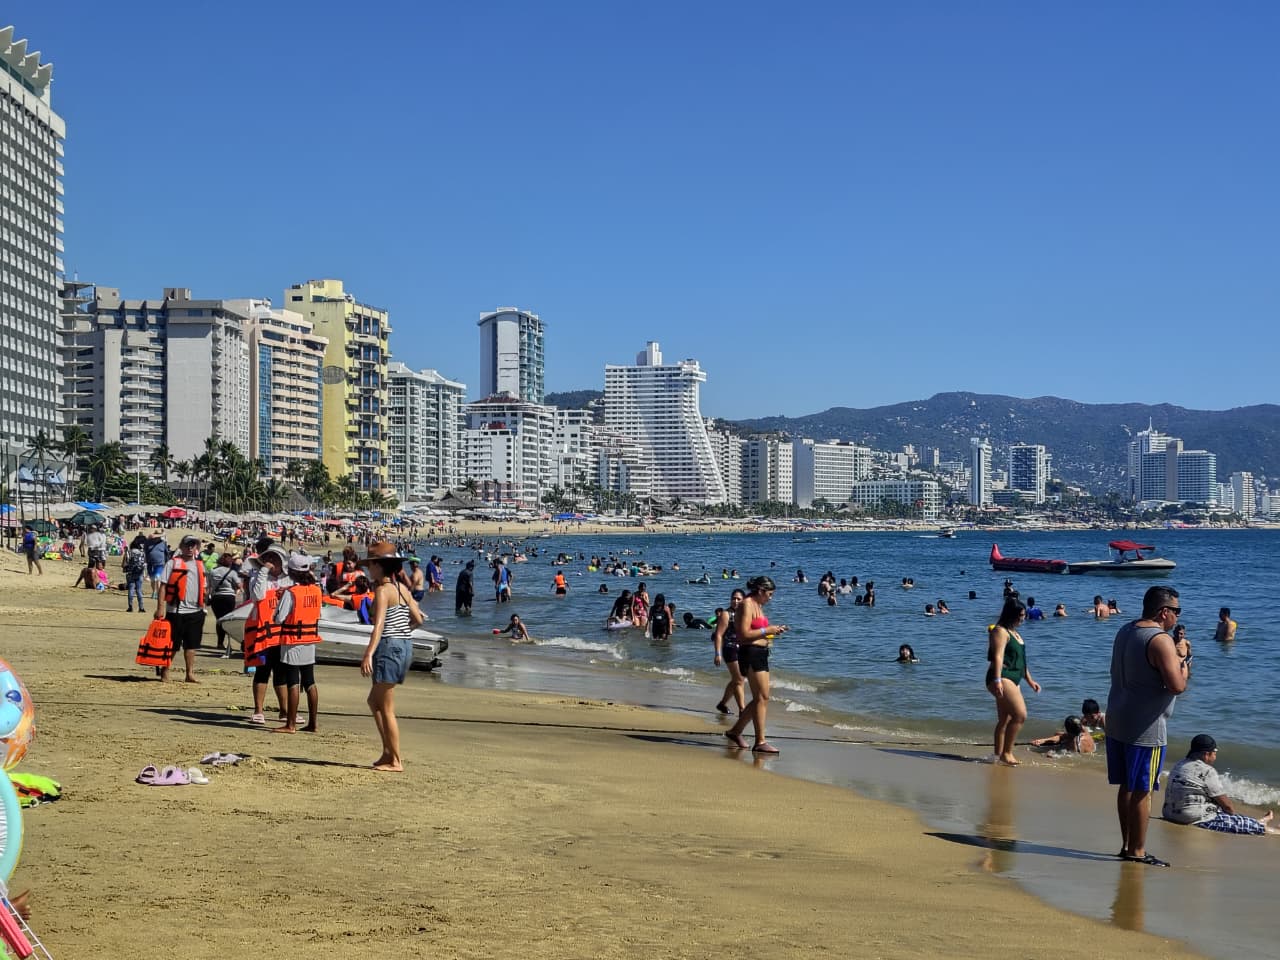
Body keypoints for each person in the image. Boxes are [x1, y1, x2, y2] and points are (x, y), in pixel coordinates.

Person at [1106, 585, 1190, 867]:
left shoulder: (1125, 630)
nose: (1178, 616)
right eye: (1177, 610)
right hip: (1146, 727)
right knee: (1142, 789)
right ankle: (1137, 850)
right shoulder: (1160, 639)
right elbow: (1177, 685)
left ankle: (1127, 844)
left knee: (1127, 786)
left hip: (1118, 718)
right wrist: (1184, 663)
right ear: (1164, 612)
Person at [360, 541, 424, 772]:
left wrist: (368, 654)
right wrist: (402, 632)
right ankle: (387, 751)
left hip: (389, 646)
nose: (369, 569)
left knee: (386, 707)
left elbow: (378, 626)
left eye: (370, 565)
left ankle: (396, 760)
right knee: (374, 701)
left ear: (379, 566)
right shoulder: (402, 589)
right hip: (404, 645)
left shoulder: (382, 591)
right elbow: (418, 619)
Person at [1163, 734, 1276, 836]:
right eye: (1214, 753)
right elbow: (1228, 807)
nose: (1215, 757)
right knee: (1249, 826)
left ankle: (1259, 821)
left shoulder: (1179, 764)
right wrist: (1232, 817)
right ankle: (1271, 829)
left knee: (1224, 813)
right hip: (1190, 818)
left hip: (1169, 813)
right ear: (1206, 754)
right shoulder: (1207, 771)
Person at [725, 577, 788, 754]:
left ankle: (736, 731)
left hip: (760, 653)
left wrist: (774, 631)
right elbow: (743, 634)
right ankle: (760, 741)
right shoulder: (746, 604)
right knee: (761, 697)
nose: (770, 598)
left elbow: (758, 631)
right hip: (750, 652)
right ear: (760, 591)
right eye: (769, 594)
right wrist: (767, 630)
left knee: (762, 697)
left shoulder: (758, 605)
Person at [986, 597, 1040, 766]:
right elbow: (998, 656)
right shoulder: (1000, 631)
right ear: (1012, 614)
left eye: (1023, 615)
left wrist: (1030, 680)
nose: (1023, 618)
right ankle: (1007, 753)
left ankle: (997, 755)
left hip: (1014, 677)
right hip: (1002, 676)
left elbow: (1021, 661)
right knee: (1020, 715)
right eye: (1021, 615)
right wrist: (997, 680)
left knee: (1005, 719)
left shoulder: (1015, 632)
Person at [272, 554, 321, 733]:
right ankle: (313, 723)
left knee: (293, 681)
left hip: (293, 641)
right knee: (309, 681)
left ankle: (290, 724)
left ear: (292, 573)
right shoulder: (316, 590)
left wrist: (280, 600)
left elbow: (278, 618)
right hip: (310, 640)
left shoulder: (291, 593)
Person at [153, 535, 206, 684]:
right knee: (172, 645)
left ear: (197, 548)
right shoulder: (172, 563)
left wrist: (204, 606)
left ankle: (189, 674)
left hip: (195, 611)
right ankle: (165, 671)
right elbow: (163, 586)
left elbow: (204, 587)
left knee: (192, 645)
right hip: (176, 611)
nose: (190, 548)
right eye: (187, 545)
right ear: (181, 547)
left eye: (193, 545)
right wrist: (160, 608)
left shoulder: (200, 565)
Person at [246, 545, 289, 725]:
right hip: (262, 631)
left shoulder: (289, 579)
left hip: (282, 632)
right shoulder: (257, 577)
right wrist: (263, 571)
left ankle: (285, 711)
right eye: (268, 557)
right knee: (262, 671)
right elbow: (257, 596)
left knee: (281, 672)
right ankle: (258, 710)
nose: (271, 561)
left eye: (275, 558)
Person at [713, 589, 746, 716]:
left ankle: (722, 704)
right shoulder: (726, 614)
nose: (735, 601)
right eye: (733, 598)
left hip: (743, 649)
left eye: (738, 599)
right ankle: (742, 709)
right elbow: (718, 635)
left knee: (737, 679)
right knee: (739, 680)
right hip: (730, 649)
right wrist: (717, 654)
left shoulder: (745, 613)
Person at [207, 552, 243, 650]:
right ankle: (228, 643)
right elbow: (239, 585)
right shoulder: (232, 572)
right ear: (230, 562)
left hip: (216, 598)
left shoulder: (213, 572)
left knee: (219, 620)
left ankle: (220, 643)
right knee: (227, 620)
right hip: (229, 597)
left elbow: (209, 586)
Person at [1030, 715, 1096, 753]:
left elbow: (1061, 737)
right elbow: (1064, 735)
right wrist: (1043, 740)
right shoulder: (1086, 732)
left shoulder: (1071, 745)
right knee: (1059, 734)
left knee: (1050, 753)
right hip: (1092, 749)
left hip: (1077, 751)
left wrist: (1049, 753)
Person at [122, 534, 147, 611]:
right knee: (139, 590)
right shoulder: (142, 553)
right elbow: (144, 563)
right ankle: (141, 607)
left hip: (130, 572)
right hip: (139, 572)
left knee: (131, 589)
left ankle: (130, 606)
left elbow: (124, 563)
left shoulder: (129, 552)